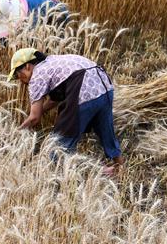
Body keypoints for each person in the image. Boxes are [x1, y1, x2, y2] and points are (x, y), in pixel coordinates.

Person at [8, 47, 124, 176]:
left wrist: (17, 132)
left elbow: (35, 117)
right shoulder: (53, 61)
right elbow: (54, 100)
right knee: (106, 131)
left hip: (84, 92)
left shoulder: (37, 75)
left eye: (18, 75)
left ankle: (101, 171)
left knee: (57, 148)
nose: (20, 80)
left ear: (28, 66)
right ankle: (120, 168)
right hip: (104, 86)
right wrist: (42, 110)